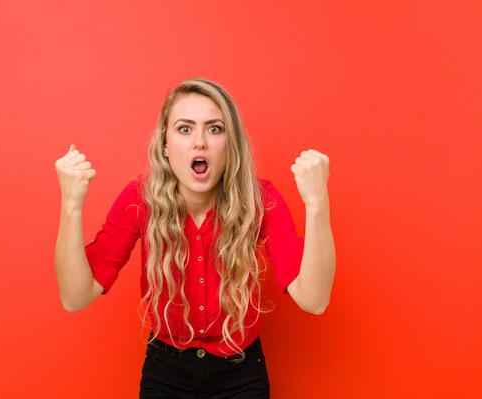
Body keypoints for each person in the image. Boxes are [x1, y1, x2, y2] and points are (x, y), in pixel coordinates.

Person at [54, 78, 335, 399]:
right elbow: (75, 297)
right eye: (185, 129)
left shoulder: (262, 199)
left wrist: (317, 203)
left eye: (215, 129)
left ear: (232, 144)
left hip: (241, 373)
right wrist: (71, 205)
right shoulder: (139, 198)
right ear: (164, 144)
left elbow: (314, 300)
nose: (199, 142)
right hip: (166, 372)